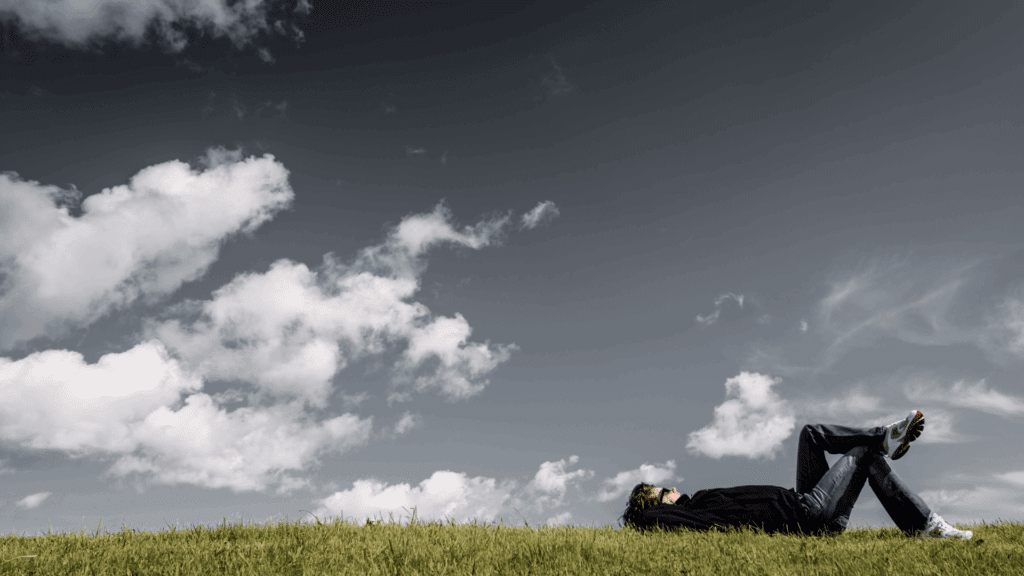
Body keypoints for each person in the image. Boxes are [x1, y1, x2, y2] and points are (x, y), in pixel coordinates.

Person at [620, 411, 973, 539]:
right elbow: (647, 519)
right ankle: (928, 525)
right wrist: (643, 507)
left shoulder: (699, 500)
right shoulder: (675, 516)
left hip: (800, 499)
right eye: (663, 490)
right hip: (804, 514)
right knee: (864, 454)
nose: (672, 487)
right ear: (653, 504)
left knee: (811, 433)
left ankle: (884, 436)